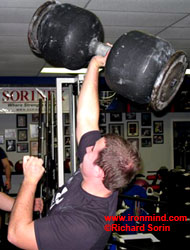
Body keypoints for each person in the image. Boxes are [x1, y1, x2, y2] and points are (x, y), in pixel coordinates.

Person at [8, 54, 141, 250]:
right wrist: (95, 65)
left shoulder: (83, 226)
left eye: (92, 150)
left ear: (99, 172)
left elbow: (16, 235)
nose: (87, 147)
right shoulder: (103, 177)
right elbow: (87, 118)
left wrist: (30, 180)